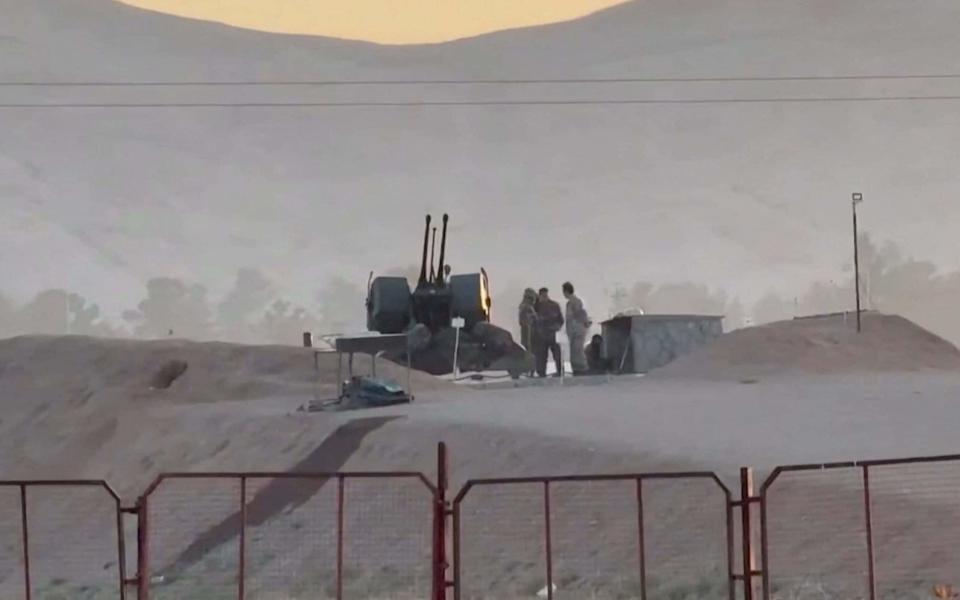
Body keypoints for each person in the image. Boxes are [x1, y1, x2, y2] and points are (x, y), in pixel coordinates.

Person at [562, 281, 592, 375]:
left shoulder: (575, 302)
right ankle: (577, 369)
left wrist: (585, 323)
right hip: (573, 331)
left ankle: (583, 369)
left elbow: (580, 314)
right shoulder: (570, 303)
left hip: (577, 331)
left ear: (566, 291)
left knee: (578, 351)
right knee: (574, 352)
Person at [534, 287, 564, 377]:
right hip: (542, 335)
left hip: (551, 334)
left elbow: (560, 320)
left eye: (545, 295)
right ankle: (542, 372)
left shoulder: (554, 305)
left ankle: (559, 371)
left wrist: (557, 327)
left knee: (556, 354)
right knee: (542, 355)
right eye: (542, 295)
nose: (544, 297)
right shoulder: (536, 307)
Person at [517, 288, 539, 376]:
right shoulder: (527, 307)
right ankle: (530, 370)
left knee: (528, 350)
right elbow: (535, 319)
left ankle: (530, 370)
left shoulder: (524, 306)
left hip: (528, 331)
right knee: (530, 350)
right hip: (529, 331)